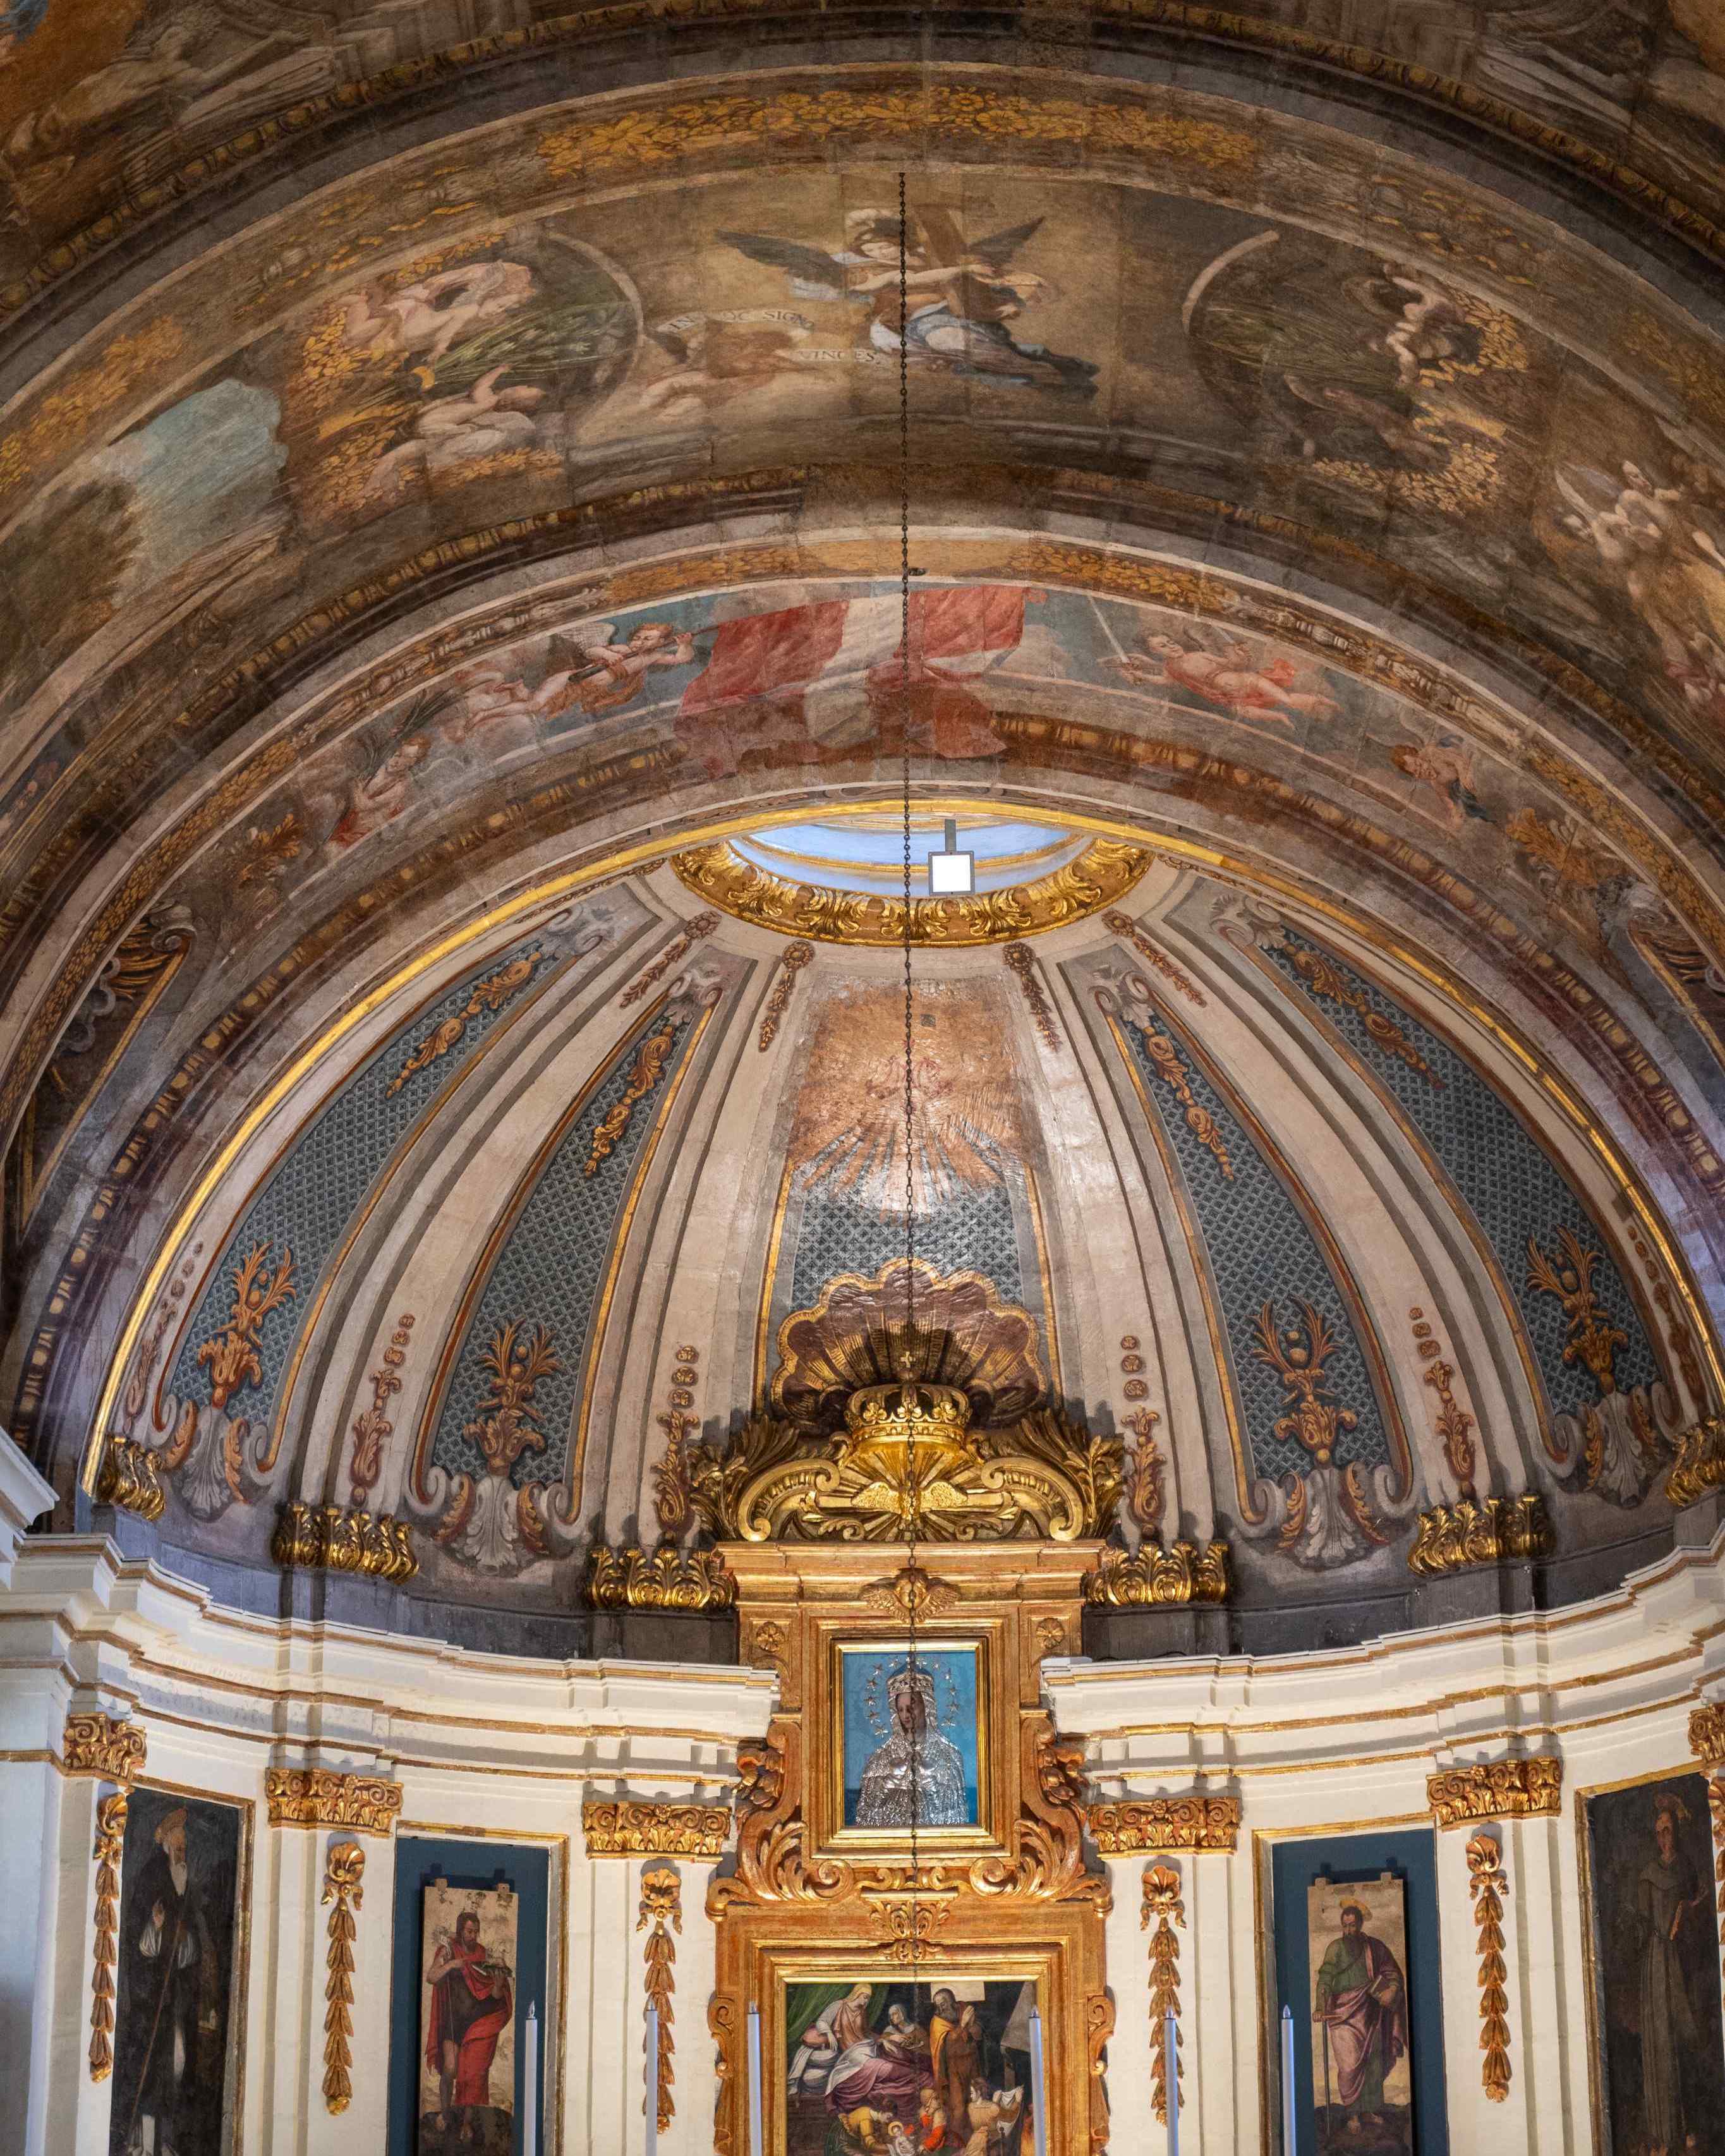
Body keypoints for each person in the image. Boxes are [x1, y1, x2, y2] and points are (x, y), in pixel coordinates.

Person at [116, 1807, 221, 2156]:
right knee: (150, 2074)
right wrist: (156, 1928)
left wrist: (186, 1944)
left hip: (177, 1997)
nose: (182, 1852)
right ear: (166, 1846)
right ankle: (143, 2144)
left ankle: (166, 2141)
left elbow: (192, 1945)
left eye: (185, 1847)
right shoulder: (151, 1878)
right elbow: (137, 1943)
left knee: (177, 2069)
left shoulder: (186, 1886)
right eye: (178, 1846)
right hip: (151, 2001)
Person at [1633, 1795, 1710, 2155]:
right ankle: (1663, 2131)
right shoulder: (1648, 1874)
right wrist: (1673, 1920)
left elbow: (1698, 1910)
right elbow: (1650, 1925)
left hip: (1683, 1963)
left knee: (1686, 2036)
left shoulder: (1687, 1868)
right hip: (1657, 1962)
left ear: (1677, 1832)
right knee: (1659, 2039)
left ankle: (1687, 2125)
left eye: (1670, 1829)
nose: (1665, 1836)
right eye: (1660, 1830)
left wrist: (1687, 1913)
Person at [1312, 1902, 1408, 2133]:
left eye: (1353, 1925)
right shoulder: (1335, 1948)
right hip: (1342, 2014)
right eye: (1345, 1926)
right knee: (1349, 2065)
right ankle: (1352, 2114)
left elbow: (1393, 1974)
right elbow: (1325, 1978)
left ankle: (1370, 2109)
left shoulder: (1375, 1947)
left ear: (1361, 1924)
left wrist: (1392, 1990)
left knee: (1373, 2061)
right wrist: (1319, 2006)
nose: (1349, 1931)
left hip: (1371, 2011)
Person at [425, 1908, 514, 2143]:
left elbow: (493, 1995)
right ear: (460, 1931)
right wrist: (452, 1965)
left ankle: (465, 2123)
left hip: (475, 2021)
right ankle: (445, 2113)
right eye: (469, 1931)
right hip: (453, 2022)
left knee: (473, 2074)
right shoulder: (448, 1950)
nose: (473, 1936)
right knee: (451, 2070)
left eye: (476, 1932)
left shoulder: (483, 1954)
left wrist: (498, 1983)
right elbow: (432, 1977)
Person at [855, 1664, 970, 1829]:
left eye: (911, 1707)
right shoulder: (881, 1757)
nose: (906, 1715)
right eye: (900, 1709)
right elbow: (866, 1810)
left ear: (927, 1706)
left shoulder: (949, 1755)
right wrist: (890, 1781)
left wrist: (930, 1783)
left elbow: (955, 1814)